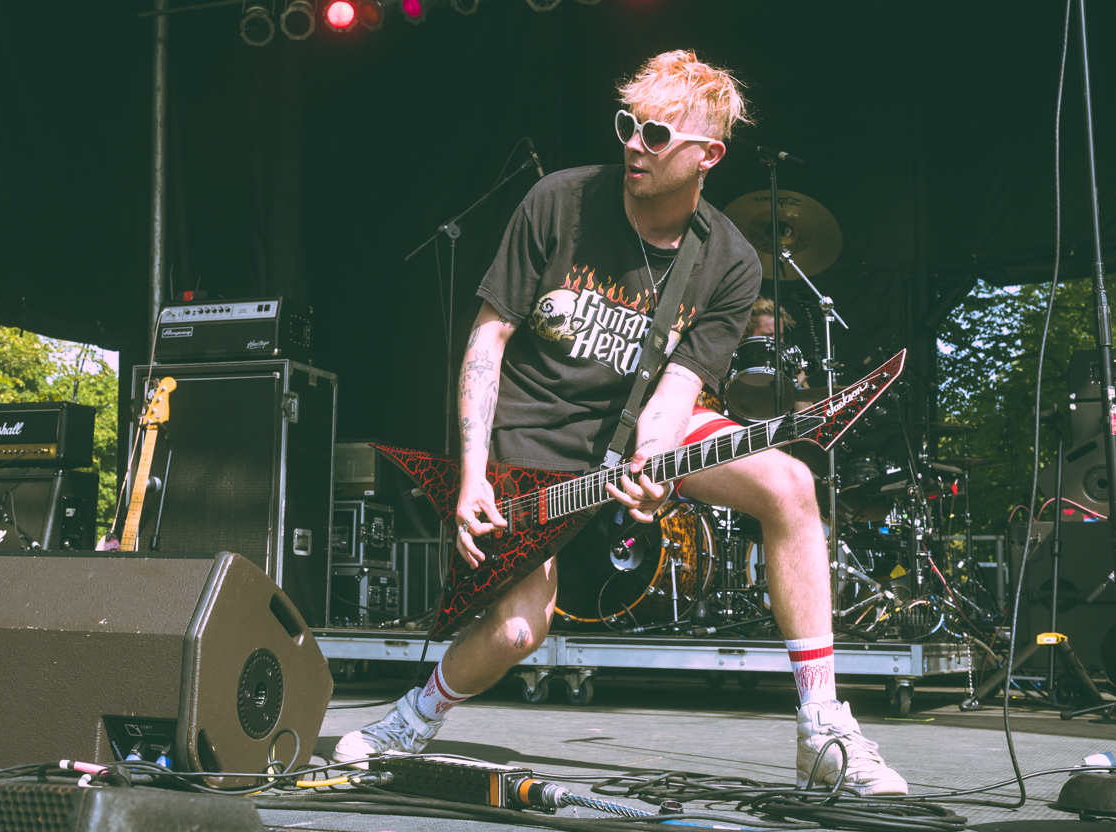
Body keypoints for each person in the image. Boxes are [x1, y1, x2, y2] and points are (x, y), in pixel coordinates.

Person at [336, 50, 906, 795]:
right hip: (533, 439)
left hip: (640, 428)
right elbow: (487, 340)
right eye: (628, 126)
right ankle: (412, 716)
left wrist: (654, 462)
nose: (635, 145)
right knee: (519, 629)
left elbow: (679, 386)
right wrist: (473, 474)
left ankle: (823, 729)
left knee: (790, 484)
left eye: (657, 135)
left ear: (708, 156)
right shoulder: (559, 201)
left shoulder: (731, 261)